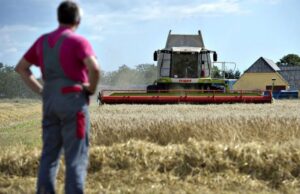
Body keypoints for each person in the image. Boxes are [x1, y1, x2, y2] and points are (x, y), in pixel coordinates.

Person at [15, 1, 100, 193]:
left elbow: (21, 68)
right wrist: (91, 89)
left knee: (49, 156)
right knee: (75, 159)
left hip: (50, 102)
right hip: (73, 101)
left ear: (58, 18)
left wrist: (42, 91)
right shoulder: (78, 41)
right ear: (78, 19)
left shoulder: (42, 41)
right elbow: (94, 67)